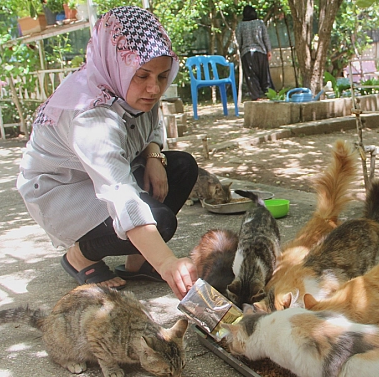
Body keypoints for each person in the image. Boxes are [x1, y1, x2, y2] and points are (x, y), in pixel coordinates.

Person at [17, 6, 198, 300]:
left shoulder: (129, 90)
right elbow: (120, 193)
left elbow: (151, 129)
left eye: (163, 76)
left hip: (103, 176)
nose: (154, 89)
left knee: (181, 166)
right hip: (63, 193)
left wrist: (153, 156)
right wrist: (167, 263)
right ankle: (80, 257)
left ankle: (138, 261)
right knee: (159, 222)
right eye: (142, 75)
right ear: (118, 65)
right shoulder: (90, 114)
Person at [235, 5, 275, 101]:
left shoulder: (241, 25)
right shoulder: (260, 23)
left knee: (251, 76)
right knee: (265, 75)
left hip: (247, 54)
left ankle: (256, 96)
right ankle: (269, 95)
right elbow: (265, 37)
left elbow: (238, 41)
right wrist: (269, 50)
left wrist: (237, 53)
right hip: (261, 52)